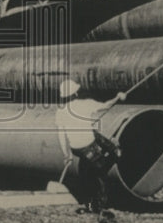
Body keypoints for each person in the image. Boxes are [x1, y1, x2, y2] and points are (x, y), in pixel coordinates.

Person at [54, 79, 126, 213]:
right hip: (88, 145)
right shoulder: (86, 104)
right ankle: (99, 206)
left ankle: (90, 204)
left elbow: (61, 135)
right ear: (76, 94)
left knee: (85, 170)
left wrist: (66, 154)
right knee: (100, 172)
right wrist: (118, 97)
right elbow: (106, 106)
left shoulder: (60, 111)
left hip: (76, 148)